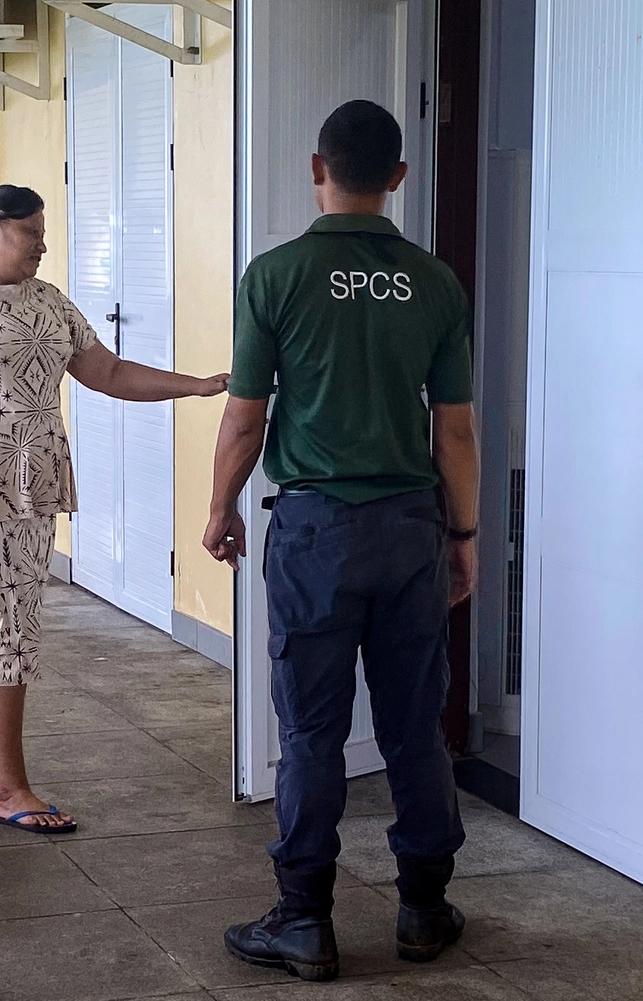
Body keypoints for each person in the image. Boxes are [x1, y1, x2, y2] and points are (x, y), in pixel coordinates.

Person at [204, 100, 479, 983]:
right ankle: (423, 908)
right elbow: (455, 431)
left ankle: (304, 921)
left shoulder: (274, 275)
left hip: (316, 531)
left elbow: (245, 419)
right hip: (409, 529)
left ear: (316, 167)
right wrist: (464, 534)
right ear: (398, 176)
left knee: (314, 730)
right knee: (414, 725)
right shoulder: (435, 282)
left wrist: (221, 506)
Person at [0, 184, 228, 833]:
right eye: (32, 232)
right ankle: (8, 790)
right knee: (2, 627)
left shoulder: (48, 301)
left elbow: (110, 373)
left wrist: (198, 386)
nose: (43, 244)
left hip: (33, 482)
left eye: (44, 233)